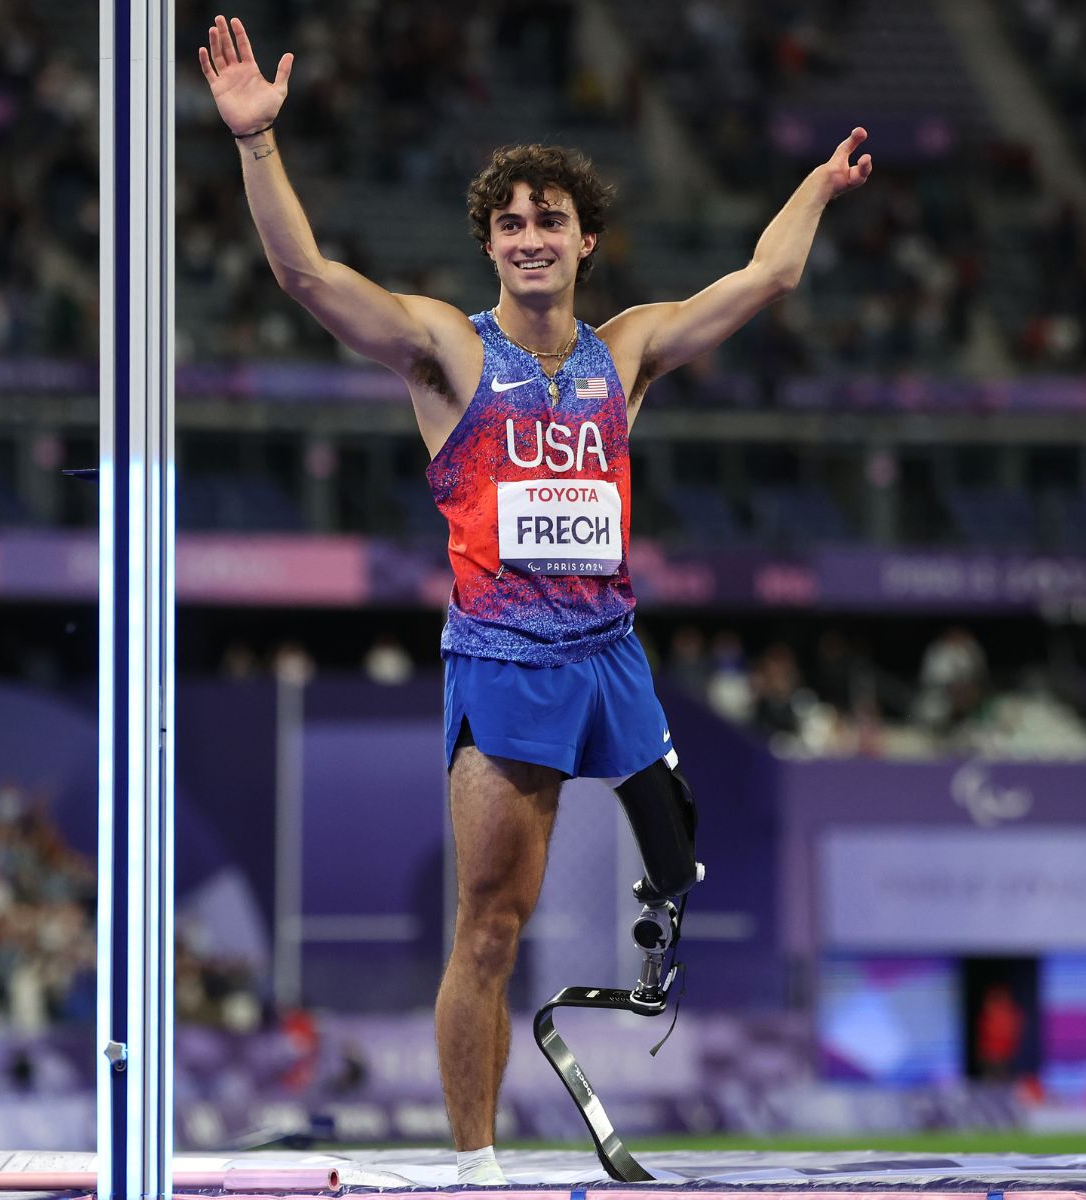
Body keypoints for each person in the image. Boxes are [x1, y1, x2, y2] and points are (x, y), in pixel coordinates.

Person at [198, 15, 875, 1182]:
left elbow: (769, 275)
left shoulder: (629, 353)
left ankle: (651, 932)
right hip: (505, 664)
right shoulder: (447, 357)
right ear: (489, 248)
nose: (527, 237)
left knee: (677, 865)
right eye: (508, 223)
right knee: (492, 923)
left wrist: (813, 186)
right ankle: (477, 1166)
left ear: (584, 240)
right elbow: (307, 277)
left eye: (547, 219)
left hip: (612, 657)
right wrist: (260, 143)